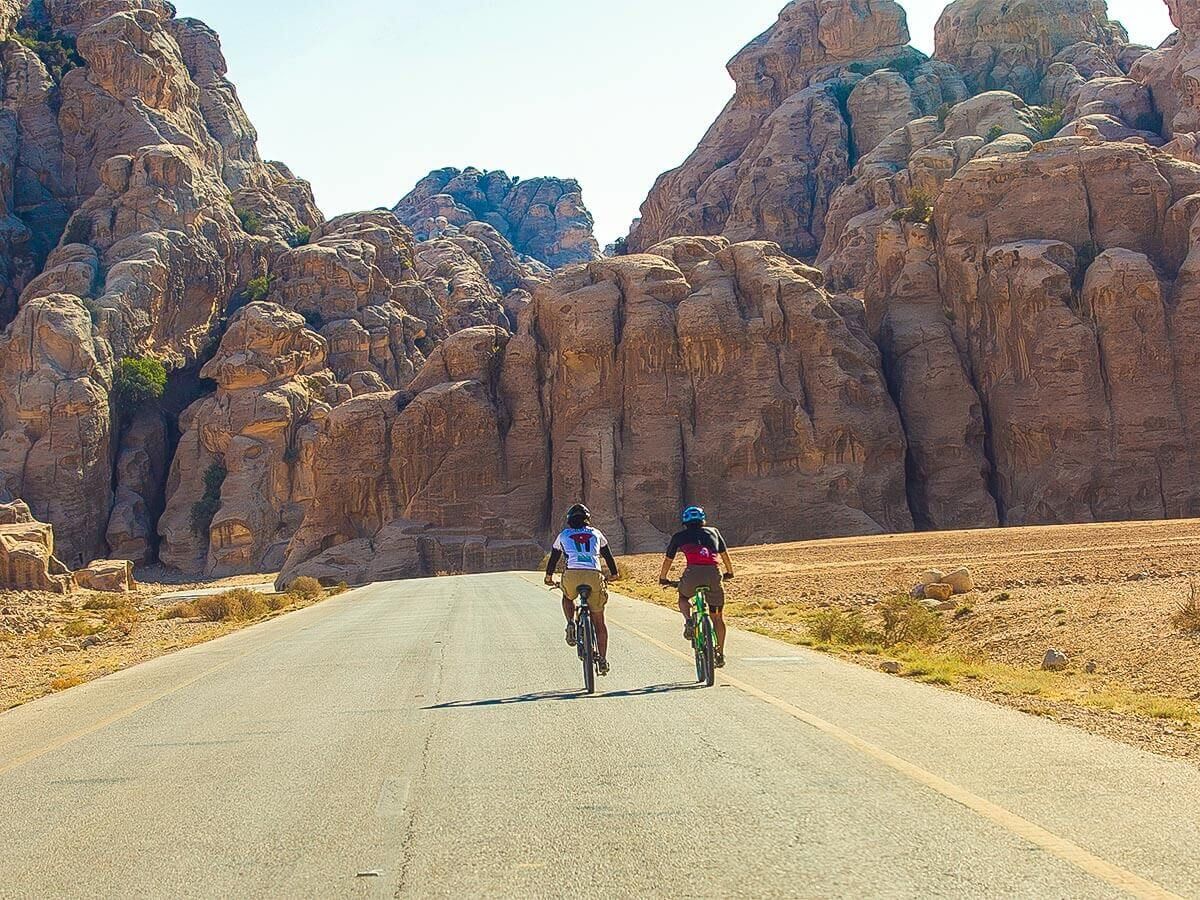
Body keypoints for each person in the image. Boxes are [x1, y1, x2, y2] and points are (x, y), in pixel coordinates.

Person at [544, 503, 619, 676]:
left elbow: (554, 558)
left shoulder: (563, 535)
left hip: (572, 575)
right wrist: (614, 574)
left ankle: (570, 622)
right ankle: (602, 659)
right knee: (599, 622)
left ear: (570, 521)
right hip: (594, 574)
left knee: (567, 596)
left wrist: (548, 577)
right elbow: (608, 555)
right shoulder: (596, 533)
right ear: (588, 520)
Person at [659, 506, 735, 667]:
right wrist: (729, 572)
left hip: (692, 574)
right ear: (702, 519)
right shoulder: (714, 532)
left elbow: (668, 560)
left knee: (683, 597)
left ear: (685, 521)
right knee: (717, 617)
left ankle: (688, 621)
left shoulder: (679, 536)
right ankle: (720, 653)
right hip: (714, 574)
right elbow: (724, 555)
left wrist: (663, 578)